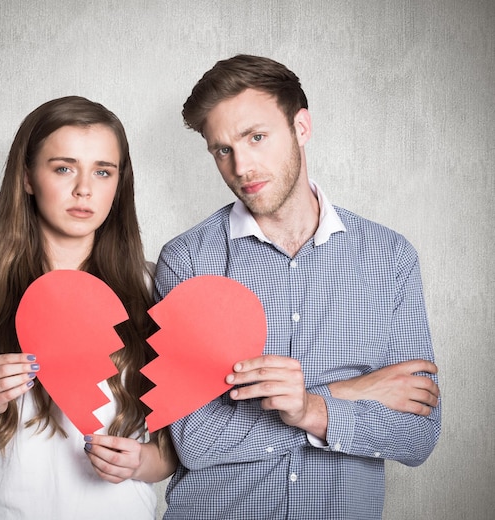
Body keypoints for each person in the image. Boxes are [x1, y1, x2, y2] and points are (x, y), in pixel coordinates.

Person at [155, 55, 441, 519]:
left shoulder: (390, 257)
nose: (241, 166)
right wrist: (350, 392)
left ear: (301, 127)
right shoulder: (188, 261)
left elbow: (416, 435)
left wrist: (310, 407)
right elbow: (195, 440)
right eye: (222, 150)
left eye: (256, 137)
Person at [0, 96, 177, 519]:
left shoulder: (149, 286)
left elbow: (172, 450)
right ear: (27, 177)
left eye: (103, 171)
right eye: (63, 168)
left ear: (119, 183)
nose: (84, 188)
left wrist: (143, 462)